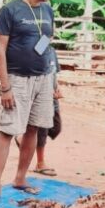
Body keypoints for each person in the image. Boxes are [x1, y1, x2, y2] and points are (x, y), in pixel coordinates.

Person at [0, 0, 62, 206]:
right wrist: (5, 86)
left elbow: (48, 44)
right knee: (8, 130)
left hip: (43, 79)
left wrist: (53, 80)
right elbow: (0, 49)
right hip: (17, 79)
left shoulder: (48, 11)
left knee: (34, 128)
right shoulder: (10, 11)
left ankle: (20, 178)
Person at [17, 45, 62, 176]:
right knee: (41, 130)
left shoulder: (52, 50)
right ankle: (40, 163)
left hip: (52, 95)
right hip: (41, 96)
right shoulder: (36, 49)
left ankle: (23, 139)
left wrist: (56, 88)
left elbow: (54, 73)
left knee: (56, 128)